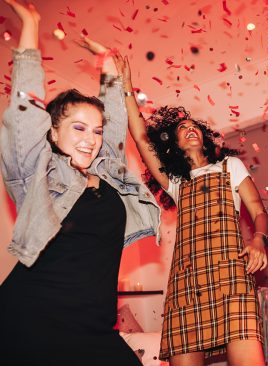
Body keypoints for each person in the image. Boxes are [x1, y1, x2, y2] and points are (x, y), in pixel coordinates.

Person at [0, 1, 160, 365]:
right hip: (32, 321)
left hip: (94, 328)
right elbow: (24, 116)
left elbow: (114, 121)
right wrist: (30, 26)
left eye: (96, 131)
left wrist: (107, 67)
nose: (91, 138)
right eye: (77, 128)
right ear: (53, 133)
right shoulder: (37, 176)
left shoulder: (108, 172)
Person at [121, 56, 268, 365]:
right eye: (182, 128)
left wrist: (258, 239)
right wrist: (125, 88)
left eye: (194, 126)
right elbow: (140, 137)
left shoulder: (231, 166)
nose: (190, 130)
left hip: (232, 277)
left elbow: (257, 210)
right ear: (173, 144)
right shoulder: (175, 181)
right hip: (186, 284)